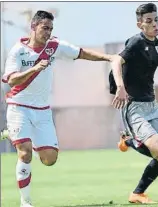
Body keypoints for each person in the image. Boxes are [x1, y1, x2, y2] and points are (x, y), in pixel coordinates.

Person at [1, 10, 114, 207]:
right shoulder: (17, 51)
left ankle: (13, 134)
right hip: (18, 106)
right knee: (25, 152)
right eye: (45, 28)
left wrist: (109, 58)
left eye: (51, 29)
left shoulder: (54, 46)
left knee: (49, 159)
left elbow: (81, 53)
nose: (48, 32)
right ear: (33, 27)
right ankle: (25, 201)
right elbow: (11, 80)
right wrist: (34, 69)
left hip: (43, 110)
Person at [109, 3, 158, 204]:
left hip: (152, 105)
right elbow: (116, 61)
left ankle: (137, 193)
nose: (154, 24)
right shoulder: (135, 42)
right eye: (149, 21)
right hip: (134, 107)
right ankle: (130, 140)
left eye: (156, 19)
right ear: (140, 24)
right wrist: (120, 87)